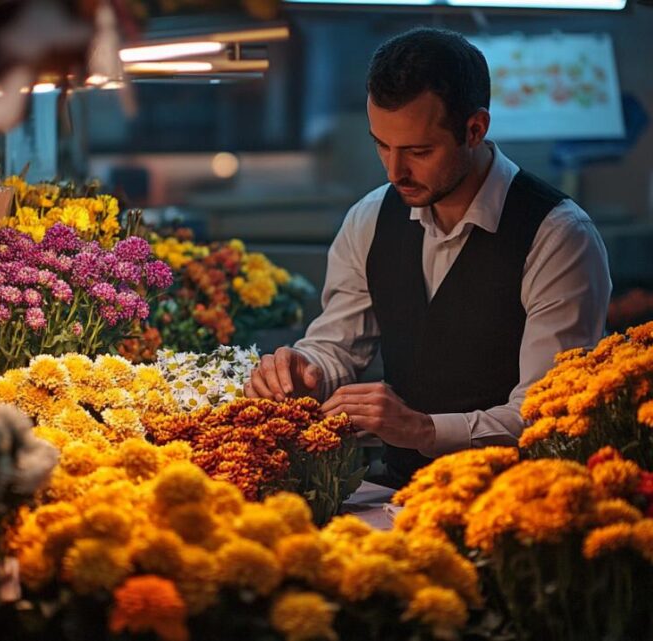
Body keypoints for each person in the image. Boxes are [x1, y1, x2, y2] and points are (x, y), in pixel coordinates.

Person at [245, 27, 612, 488]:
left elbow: (546, 414)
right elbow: (337, 344)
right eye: (382, 144)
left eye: (419, 151)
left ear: (474, 129)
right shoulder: (369, 219)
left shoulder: (558, 237)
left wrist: (422, 430)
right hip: (397, 494)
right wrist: (308, 371)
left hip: (517, 504)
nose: (395, 171)